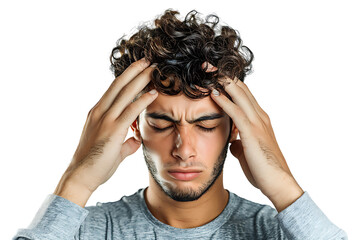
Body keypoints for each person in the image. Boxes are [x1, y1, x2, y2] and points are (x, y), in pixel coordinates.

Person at [13, 9, 347, 239]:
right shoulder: (86, 231)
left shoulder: (280, 232)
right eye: (160, 123)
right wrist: (75, 184)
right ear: (133, 126)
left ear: (234, 128)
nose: (183, 149)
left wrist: (284, 188)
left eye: (205, 124)